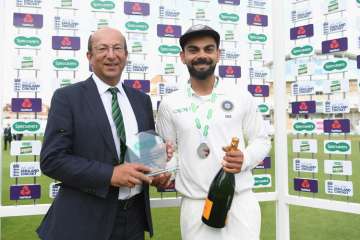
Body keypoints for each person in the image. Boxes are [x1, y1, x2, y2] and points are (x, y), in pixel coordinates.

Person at [37, 27, 171, 240]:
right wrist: (110, 175)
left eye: (117, 48)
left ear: (126, 56)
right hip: (83, 222)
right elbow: (52, 160)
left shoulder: (141, 100)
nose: (111, 55)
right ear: (89, 56)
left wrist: (155, 174)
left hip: (133, 220)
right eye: (102, 49)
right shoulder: (67, 98)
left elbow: (143, 154)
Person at [156, 24, 271, 240]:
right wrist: (164, 171)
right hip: (195, 205)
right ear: (182, 57)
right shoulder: (170, 103)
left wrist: (244, 158)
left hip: (240, 202)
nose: (201, 55)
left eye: (208, 49)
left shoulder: (240, 96)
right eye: (193, 50)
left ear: (218, 55)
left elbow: (262, 140)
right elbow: (169, 153)